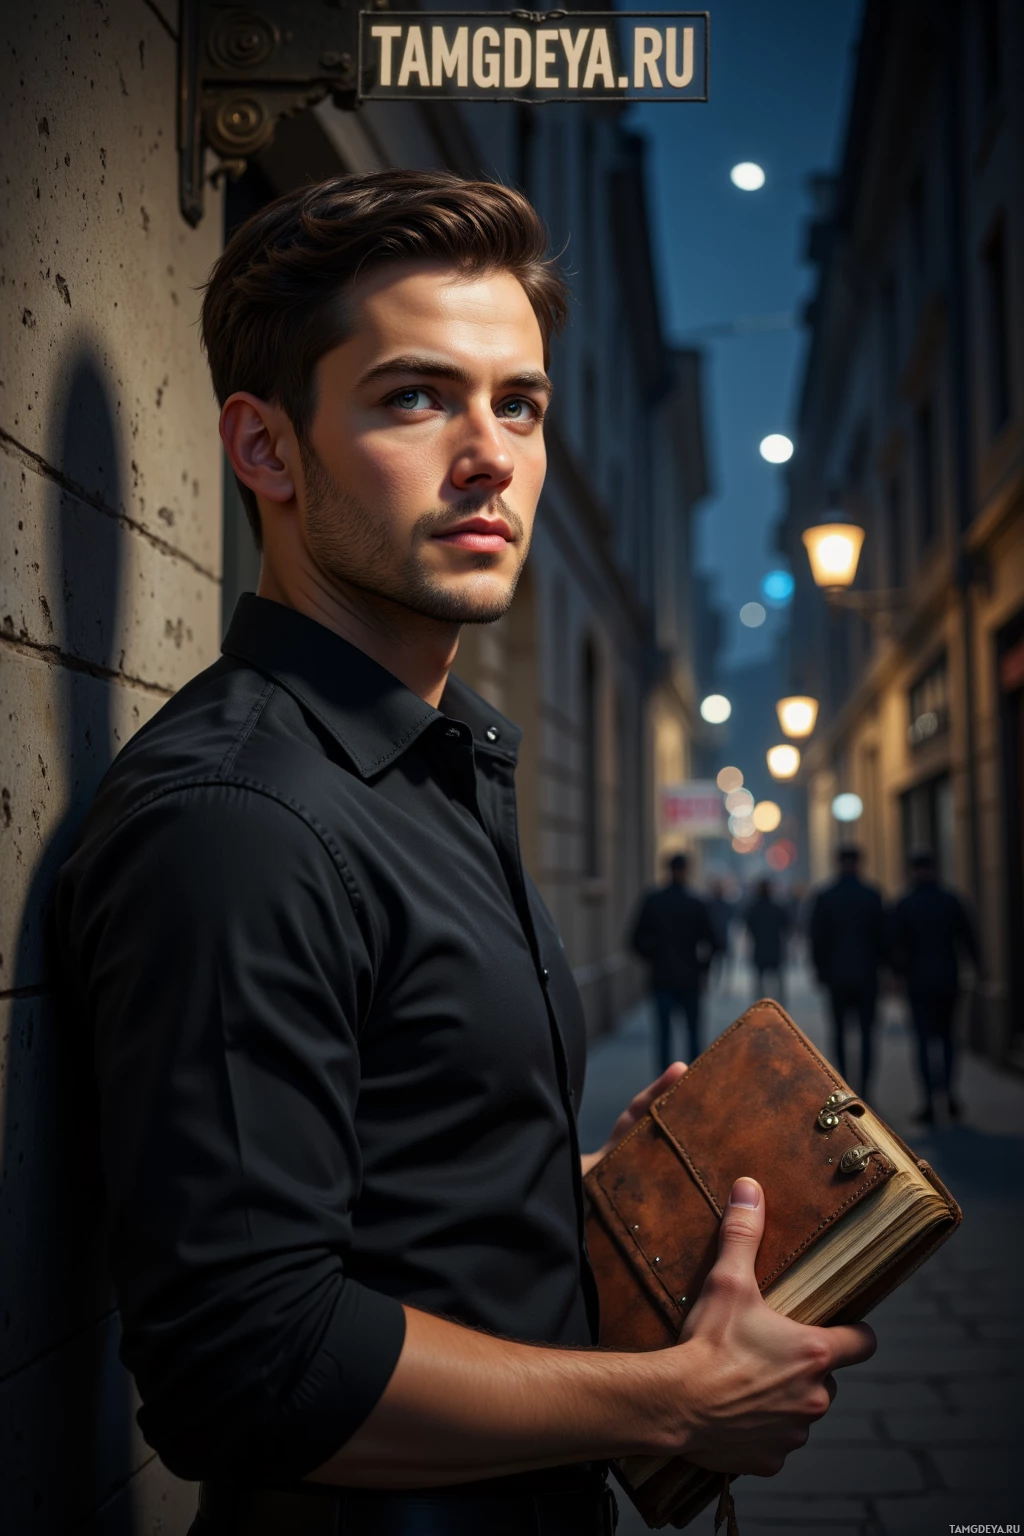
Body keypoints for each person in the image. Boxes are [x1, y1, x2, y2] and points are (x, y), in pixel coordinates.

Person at [54, 171, 873, 1536]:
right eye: (415, 398)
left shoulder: (432, 769)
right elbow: (243, 1367)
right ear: (265, 449)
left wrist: (583, 1194)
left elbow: (395, 1194)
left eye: (521, 405)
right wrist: (673, 1403)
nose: (490, 454)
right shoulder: (238, 820)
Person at [889, 848, 981, 1124]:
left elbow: (895, 945)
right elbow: (969, 938)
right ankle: (949, 1095)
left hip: (918, 981)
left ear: (912, 870)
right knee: (948, 1038)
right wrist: (978, 968)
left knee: (923, 1040)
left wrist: (897, 975)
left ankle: (929, 1100)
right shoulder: (951, 900)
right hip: (948, 978)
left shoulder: (905, 903)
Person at [809, 847, 886, 1097]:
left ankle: (843, 1086)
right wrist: (885, 969)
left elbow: (816, 938)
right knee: (867, 1033)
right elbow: (883, 937)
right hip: (867, 975)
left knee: (839, 1031)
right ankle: (865, 1087)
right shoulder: (872, 895)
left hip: (837, 976)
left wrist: (820, 971)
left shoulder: (826, 896)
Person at [631, 853, 719, 1071]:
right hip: (690, 977)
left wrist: (653, 957)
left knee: (663, 1034)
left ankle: (664, 1080)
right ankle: (693, 1078)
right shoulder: (696, 903)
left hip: (662, 976)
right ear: (686, 870)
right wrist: (702, 967)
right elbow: (714, 942)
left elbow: (635, 941)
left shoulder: (653, 901)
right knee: (693, 1033)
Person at [744, 879, 790, 1006]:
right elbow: (786, 927)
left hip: (760, 948)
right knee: (778, 979)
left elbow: (749, 928)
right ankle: (780, 1004)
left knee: (759, 980)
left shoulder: (753, 909)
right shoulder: (777, 908)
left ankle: (760, 1004)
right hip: (775, 947)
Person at [705, 876, 734, 990]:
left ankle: (717, 983)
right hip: (716, 938)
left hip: (718, 938)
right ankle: (715, 983)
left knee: (718, 963)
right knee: (716, 963)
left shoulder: (711, 905)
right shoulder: (714, 905)